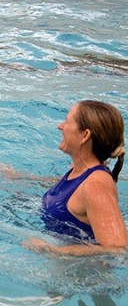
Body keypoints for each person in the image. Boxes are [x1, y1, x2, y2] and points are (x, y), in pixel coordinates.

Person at [24, 100, 127, 256]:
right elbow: (69, 189)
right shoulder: (79, 170)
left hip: (83, 276)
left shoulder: (96, 184)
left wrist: (53, 250)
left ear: (85, 135)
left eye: (67, 122)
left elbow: (119, 249)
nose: (60, 126)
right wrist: (22, 178)